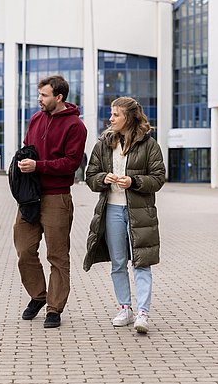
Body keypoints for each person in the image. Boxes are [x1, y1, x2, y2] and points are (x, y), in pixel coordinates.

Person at [83, 96, 165, 334]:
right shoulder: (103, 143)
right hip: (112, 210)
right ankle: (125, 308)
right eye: (111, 114)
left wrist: (135, 181)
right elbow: (90, 175)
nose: (111, 119)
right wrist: (102, 179)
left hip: (140, 213)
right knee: (118, 263)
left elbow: (159, 177)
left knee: (142, 262)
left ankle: (143, 313)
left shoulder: (149, 145)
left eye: (116, 115)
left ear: (128, 117)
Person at [13, 75, 87, 329]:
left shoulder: (76, 126)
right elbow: (28, 148)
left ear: (59, 97)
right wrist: (23, 162)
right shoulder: (35, 118)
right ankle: (38, 295)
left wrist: (38, 166)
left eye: (44, 95)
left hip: (57, 196)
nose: (39, 99)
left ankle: (54, 309)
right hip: (29, 197)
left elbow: (71, 164)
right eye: (39, 94)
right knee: (24, 249)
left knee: (57, 256)